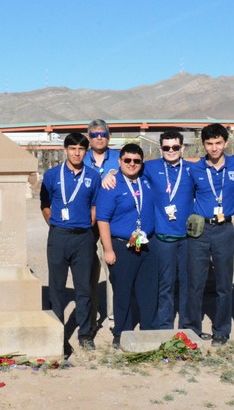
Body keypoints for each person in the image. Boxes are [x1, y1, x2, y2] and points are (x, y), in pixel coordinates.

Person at [41, 132, 102, 351]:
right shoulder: (51, 175)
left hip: (83, 237)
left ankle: (85, 334)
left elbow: (95, 206)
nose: (77, 153)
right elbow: (45, 204)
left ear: (86, 151)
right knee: (56, 288)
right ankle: (57, 333)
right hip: (58, 236)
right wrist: (56, 225)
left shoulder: (93, 177)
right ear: (65, 150)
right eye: (72, 148)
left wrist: (85, 224)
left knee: (83, 288)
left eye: (81, 149)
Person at [96, 143, 158, 346]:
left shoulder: (145, 179)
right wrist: (108, 250)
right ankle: (121, 333)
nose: (132, 164)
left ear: (142, 163)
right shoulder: (111, 185)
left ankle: (148, 331)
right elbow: (102, 220)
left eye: (136, 161)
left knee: (147, 290)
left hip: (145, 244)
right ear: (120, 161)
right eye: (127, 160)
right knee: (122, 291)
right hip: (121, 246)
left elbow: (177, 160)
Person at [188, 123, 234, 346]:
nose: (213, 148)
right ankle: (192, 327)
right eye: (209, 144)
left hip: (225, 230)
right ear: (203, 144)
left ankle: (221, 330)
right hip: (200, 231)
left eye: (218, 143)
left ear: (226, 143)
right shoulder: (195, 169)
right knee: (195, 283)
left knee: (223, 283)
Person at [144, 129, 199, 334]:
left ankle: (186, 326)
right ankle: (164, 326)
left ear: (182, 148)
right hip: (163, 237)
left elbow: (216, 164)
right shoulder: (150, 167)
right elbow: (127, 169)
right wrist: (112, 174)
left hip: (187, 237)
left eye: (175, 147)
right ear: (161, 149)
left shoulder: (193, 169)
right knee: (165, 283)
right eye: (166, 147)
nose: (171, 151)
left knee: (187, 283)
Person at [83, 119, 119, 327]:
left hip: (111, 221)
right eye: (95, 134)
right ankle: (92, 314)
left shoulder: (118, 158)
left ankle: (114, 316)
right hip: (87, 223)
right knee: (88, 270)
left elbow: (136, 170)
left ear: (108, 136)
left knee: (112, 268)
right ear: (89, 137)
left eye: (103, 134)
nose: (99, 138)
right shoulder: (80, 157)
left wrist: (116, 173)